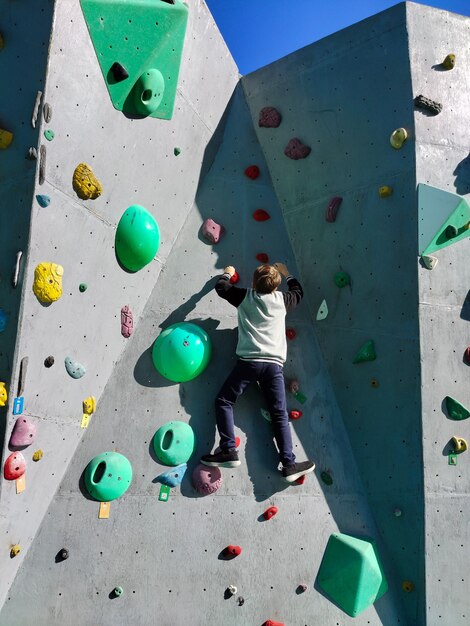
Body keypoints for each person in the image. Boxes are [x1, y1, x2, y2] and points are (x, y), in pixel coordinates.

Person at [201, 263, 315, 483]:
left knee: (224, 401)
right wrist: (288, 273)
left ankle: (228, 450)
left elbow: (221, 287)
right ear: (276, 286)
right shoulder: (283, 300)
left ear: (253, 283)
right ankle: (289, 464)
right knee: (279, 413)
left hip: (249, 362)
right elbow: (298, 292)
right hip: (274, 366)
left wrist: (228, 273)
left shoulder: (245, 296)